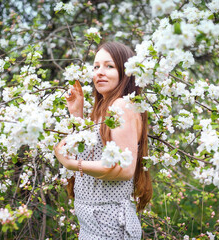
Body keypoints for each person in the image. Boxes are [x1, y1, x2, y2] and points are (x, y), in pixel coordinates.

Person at [54, 42, 152, 240]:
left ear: (125, 72)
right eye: (96, 66)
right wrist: (77, 114)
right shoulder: (104, 109)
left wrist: (72, 164)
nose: (100, 72)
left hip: (110, 227)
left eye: (109, 66)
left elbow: (124, 170)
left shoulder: (121, 105)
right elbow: (95, 153)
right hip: (93, 224)